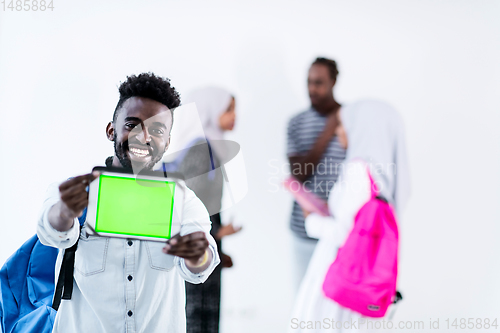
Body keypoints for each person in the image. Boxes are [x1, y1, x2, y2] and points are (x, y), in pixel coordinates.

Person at [36, 73, 221, 333]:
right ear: (111, 129)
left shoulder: (184, 201)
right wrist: (65, 212)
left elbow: (200, 267)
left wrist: (197, 255)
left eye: (157, 130)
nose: (143, 137)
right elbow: (50, 231)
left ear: (167, 142)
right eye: (132, 125)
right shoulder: (73, 191)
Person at [289, 100, 411, 332]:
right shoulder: (386, 174)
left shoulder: (358, 170)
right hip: (364, 283)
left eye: (344, 124)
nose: (338, 131)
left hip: (341, 279)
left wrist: (310, 219)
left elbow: (343, 233)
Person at [161, 87, 241, 333]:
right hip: (195, 250)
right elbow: (189, 206)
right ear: (209, 110)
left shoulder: (210, 148)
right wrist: (217, 235)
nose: (234, 116)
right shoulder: (200, 149)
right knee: (196, 319)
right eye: (228, 109)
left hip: (205, 247)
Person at [286, 57, 346, 290]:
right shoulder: (297, 123)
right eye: (309, 82)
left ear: (333, 81)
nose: (312, 89)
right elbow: (298, 175)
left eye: (319, 82)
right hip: (304, 230)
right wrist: (328, 130)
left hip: (341, 231)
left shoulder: (350, 120)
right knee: (304, 303)